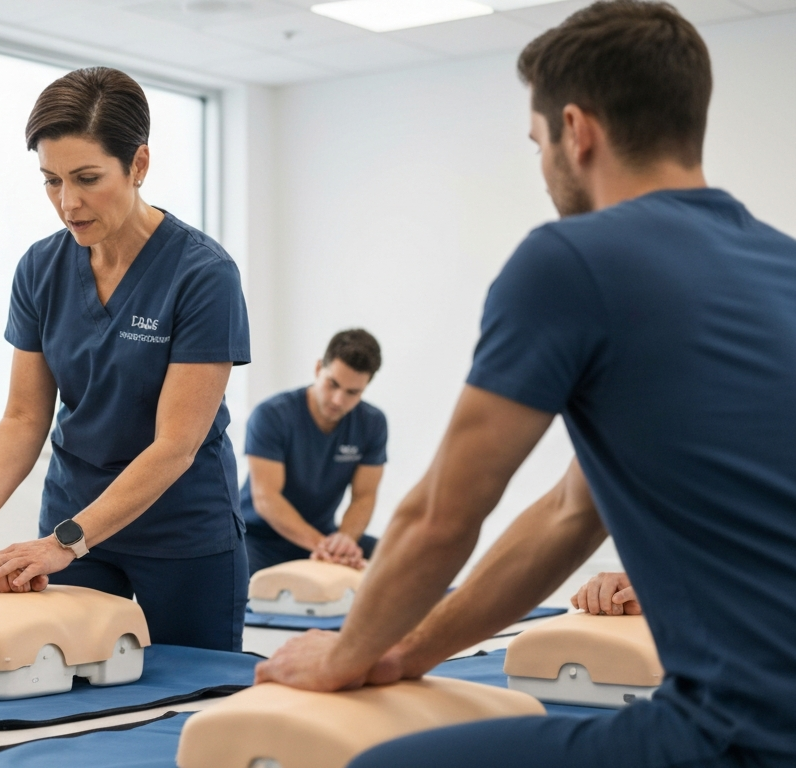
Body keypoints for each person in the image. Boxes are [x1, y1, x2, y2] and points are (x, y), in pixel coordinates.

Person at [254, 2, 796, 766]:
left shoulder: (570, 260)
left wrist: (346, 656)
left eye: (538, 143)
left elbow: (443, 514)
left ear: (577, 132)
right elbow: (572, 511)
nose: (543, 168)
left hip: (743, 734)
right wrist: (407, 651)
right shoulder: (781, 264)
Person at [0, 66, 252, 652]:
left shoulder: (202, 274)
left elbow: (176, 444)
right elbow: (23, 416)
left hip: (180, 531)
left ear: (138, 165)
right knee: (77, 693)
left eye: (88, 178)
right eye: (51, 180)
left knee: (196, 704)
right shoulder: (41, 269)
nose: (68, 203)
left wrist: (66, 540)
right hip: (73, 517)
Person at [241, 329, 386, 573]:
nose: (338, 400)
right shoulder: (271, 415)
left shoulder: (373, 424)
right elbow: (267, 498)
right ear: (319, 368)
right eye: (333, 384)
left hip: (323, 535)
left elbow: (364, 496)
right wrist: (323, 546)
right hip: (258, 538)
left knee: (397, 559)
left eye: (353, 392)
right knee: (245, 586)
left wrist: (345, 541)